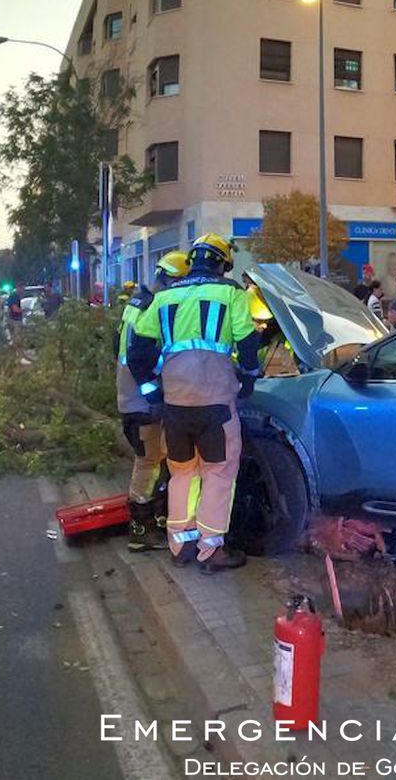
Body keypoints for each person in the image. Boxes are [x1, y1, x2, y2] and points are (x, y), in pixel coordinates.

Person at [127, 233, 260, 573]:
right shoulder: (231, 293)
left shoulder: (165, 296)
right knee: (218, 473)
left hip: (175, 405)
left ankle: (180, 545)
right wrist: (247, 381)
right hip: (216, 403)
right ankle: (211, 550)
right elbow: (247, 344)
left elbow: (137, 350)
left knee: (182, 473)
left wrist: (151, 391)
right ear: (221, 263)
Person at [114, 251, 189, 552]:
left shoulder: (137, 302)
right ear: (173, 280)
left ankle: (157, 517)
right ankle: (140, 530)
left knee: (157, 458)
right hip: (140, 403)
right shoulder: (153, 307)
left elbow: (117, 347)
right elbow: (139, 358)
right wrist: (154, 395)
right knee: (147, 461)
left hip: (131, 396)